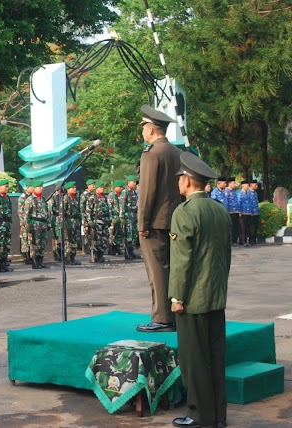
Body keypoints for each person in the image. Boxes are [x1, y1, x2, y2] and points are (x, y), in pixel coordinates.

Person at [169, 151, 231, 428]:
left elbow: (182, 262)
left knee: (194, 361)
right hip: (216, 297)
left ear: (188, 180)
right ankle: (218, 415)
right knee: (215, 358)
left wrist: (177, 297)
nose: (178, 183)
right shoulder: (219, 210)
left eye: (180, 178)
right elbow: (225, 257)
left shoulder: (184, 212)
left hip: (192, 299)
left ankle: (198, 415)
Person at [136, 104, 182, 333]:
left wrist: (142, 224)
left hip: (154, 223)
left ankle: (162, 317)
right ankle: (176, 312)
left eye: (144, 127)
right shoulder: (177, 152)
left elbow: (147, 192)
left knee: (157, 271)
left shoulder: (152, 153)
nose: (143, 131)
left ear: (152, 130)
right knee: (174, 268)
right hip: (176, 220)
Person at [24, 180, 49, 269]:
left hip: (43, 223)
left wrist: (48, 223)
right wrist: (29, 226)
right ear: (34, 188)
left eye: (42, 186)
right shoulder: (30, 200)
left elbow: (46, 212)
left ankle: (40, 261)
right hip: (35, 224)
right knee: (35, 244)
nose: (41, 188)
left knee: (42, 243)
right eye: (39, 187)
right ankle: (35, 261)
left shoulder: (42, 198)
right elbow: (26, 215)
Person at [85, 180, 110, 263]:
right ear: (96, 188)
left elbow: (108, 210)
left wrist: (109, 219)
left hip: (105, 222)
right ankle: (95, 256)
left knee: (104, 240)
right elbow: (88, 211)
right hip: (97, 222)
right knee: (97, 240)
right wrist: (90, 222)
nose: (102, 188)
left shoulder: (104, 198)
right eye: (100, 187)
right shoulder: (92, 198)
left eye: (103, 187)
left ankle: (101, 256)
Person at [119, 175, 140, 259]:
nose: (135, 183)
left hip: (134, 216)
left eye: (135, 182)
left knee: (133, 234)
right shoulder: (125, 192)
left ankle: (131, 252)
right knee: (128, 235)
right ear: (129, 182)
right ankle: (127, 252)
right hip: (128, 216)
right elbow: (122, 204)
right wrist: (122, 216)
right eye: (133, 182)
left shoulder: (133, 192)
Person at [62, 181, 81, 266]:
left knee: (74, 241)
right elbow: (62, 213)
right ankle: (67, 258)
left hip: (75, 223)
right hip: (68, 222)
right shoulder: (66, 198)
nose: (75, 189)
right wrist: (65, 225)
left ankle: (73, 257)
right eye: (72, 188)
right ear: (68, 189)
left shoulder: (75, 198)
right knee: (68, 242)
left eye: (75, 187)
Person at [106, 180, 125, 256]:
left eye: (122, 187)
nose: (121, 188)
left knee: (119, 233)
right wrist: (111, 219)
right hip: (113, 217)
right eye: (119, 187)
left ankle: (117, 247)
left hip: (119, 217)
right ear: (115, 187)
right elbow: (109, 207)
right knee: (111, 234)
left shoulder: (121, 195)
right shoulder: (111, 195)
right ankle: (111, 249)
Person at [17, 180, 34, 264]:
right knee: (25, 240)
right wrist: (24, 223)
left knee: (31, 240)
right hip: (25, 222)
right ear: (28, 188)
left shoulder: (33, 197)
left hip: (32, 222)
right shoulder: (23, 198)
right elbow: (21, 212)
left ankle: (31, 256)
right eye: (32, 187)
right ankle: (26, 257)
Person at [80, 179, 96, 254]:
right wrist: (84, 217)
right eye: (92, 185)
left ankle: (91, 247)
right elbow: (82, 206)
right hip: (86, 217)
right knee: (86, 232)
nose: (94, 186)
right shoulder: (85, 194)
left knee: (92, 233)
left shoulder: (94, 194)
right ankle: (86, 248)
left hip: (92, 216)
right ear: (88, 186)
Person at [225, 177, 241, 246]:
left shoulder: (234, 192)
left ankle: (235, 240)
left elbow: (237, 202)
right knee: (231, 227)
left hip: (236, 212)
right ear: (229, 183)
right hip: (230, 212)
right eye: (233, 183)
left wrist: (239, 211)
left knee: (236, 227)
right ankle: (231, 241)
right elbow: (226, 202)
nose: (235, 184)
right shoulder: (226, 192)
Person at [246, 180, 260, 245]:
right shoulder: (247, 192)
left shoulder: (255, 192)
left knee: (255, 226)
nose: (256, 186)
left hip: (256, 212)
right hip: (250, 212)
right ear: (251, 185)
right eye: (255, 185)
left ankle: (254, 239)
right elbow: (248, 203)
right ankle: (251, 240)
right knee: (251, 227)